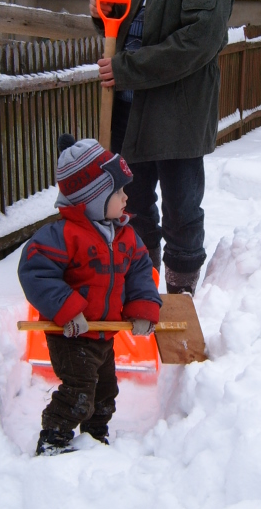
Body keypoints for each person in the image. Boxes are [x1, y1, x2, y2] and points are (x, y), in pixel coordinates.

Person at [89, 0, 234, 297]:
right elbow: (123, 21)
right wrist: (101, 18)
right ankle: (144, 289)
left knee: (181, 210)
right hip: (131, 110)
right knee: (132, 206)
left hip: (179, 112)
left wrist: (129, 70)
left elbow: (198, 42)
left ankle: (181, 296)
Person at [18, 134, 162, 456]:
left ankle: (96, 439)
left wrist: (141, 309)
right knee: (80, 392)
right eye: (118, 191)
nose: (126, 197)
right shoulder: (62, 236)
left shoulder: (125, 236)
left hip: (103, 334)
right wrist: (68, 310)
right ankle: (53, 440)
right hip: (71, 335)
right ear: (93, 198)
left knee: (105, 392)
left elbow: (140, 270)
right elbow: (35, 272)